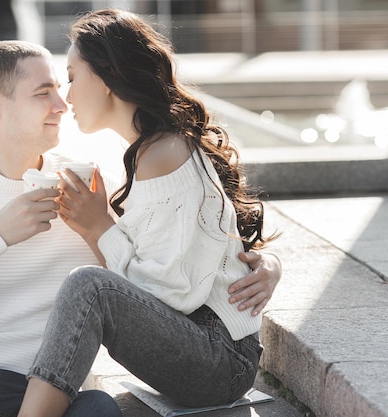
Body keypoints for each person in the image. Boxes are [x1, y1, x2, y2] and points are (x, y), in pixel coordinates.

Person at [0, 40, 280, 417]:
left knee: (101, 409)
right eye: (43, 93)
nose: (61, 104)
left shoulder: (87, 186)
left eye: (61, 87)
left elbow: (179, 246)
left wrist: (268, 264)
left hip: (47, 397)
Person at [18, 9, 280, 417]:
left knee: (89, 286)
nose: (67, 98)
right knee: (87, 283)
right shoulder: (154, 151)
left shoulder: (166, 153)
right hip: (207, 348)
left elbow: (168, 292)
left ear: (106, 76)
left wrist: (99, 228)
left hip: (220, 359)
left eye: (72, 77)